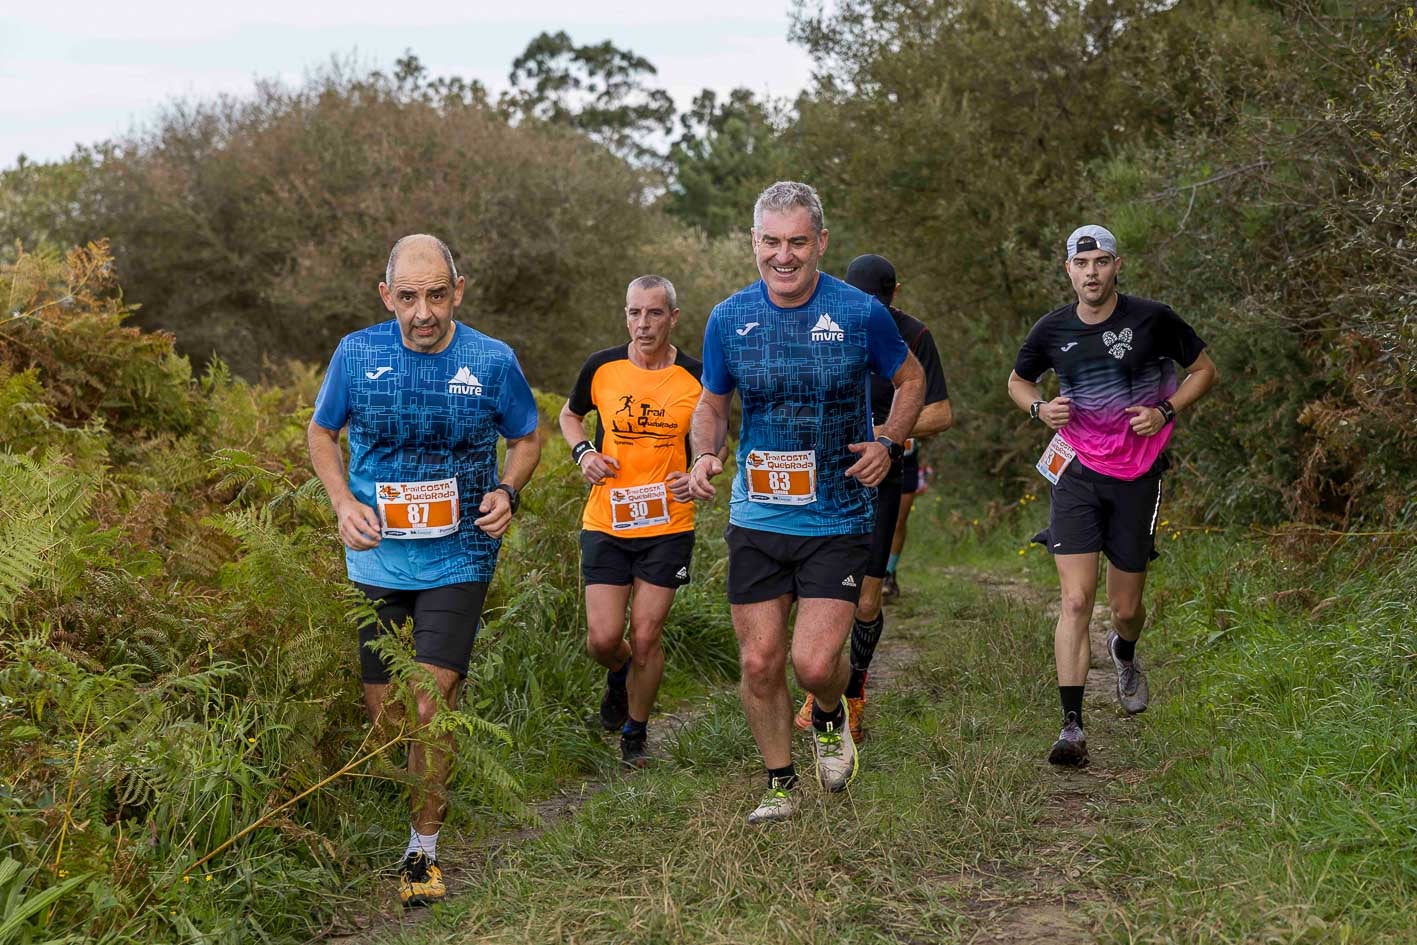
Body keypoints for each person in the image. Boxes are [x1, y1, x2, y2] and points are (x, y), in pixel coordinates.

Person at [307, 234, 541, 907]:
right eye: (408, 296)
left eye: (436, 294)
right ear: (386, 296)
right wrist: (342, 500)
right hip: (377, 551)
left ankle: (422, 851)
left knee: (431, 701)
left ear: (458, 290)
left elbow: (526, 436)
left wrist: (506, 490)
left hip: (459, 552)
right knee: (386, 718)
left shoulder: (491, 360)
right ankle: (416, 796)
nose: (423, 310)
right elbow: (322, 432)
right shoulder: (358, 353)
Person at [686, 182, 925, 823]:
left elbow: (911, 379)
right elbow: (711, 403)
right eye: (771, 242)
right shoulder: (728, 319)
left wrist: (890, 440)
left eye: (797, 242)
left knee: (814, 663)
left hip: (839, 513)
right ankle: (780, 783)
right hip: (758, 513)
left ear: (820, 243)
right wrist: (704, 454)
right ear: (754, 244)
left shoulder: (858, 314)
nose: (783, 256)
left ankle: (827, 712)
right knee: (760, 660)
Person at [1007, 225, 1217, 767]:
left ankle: (1124, 649)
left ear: (1117, 265)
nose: (1092, 273)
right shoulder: (1052, 329)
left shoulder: (1153, 318)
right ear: (1068, 270)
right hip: (1076, 472)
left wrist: (1165, 411)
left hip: (1138, 476)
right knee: (1075, 600)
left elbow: (1204, 370)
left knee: (1124, 608)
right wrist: (1039, 409)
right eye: (1083, 264)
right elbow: (1018, 381)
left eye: (1101, 261)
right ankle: (1071, 726)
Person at [793, 254, 952, 742]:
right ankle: (823, 684)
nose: (871, 312)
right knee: (815, 590)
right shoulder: (817, 323)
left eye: (879, 304)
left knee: (866, 596)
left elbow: (941, 413)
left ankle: (853, 693)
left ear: (894, 296)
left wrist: (886, 431)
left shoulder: (915, 335)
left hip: (881, 472)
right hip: (822, 476)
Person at [558, 275, 704, 770]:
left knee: (645, 636)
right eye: (634, 313)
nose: (643, 324)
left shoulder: (696, 378)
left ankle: (634, 734)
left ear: (673, 317)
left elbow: (716, 438)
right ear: (625, 316)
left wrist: (702, 467)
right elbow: (570, 416)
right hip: (607, 519)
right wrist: (583, 454)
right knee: (603, 639)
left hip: (668, 521)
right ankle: (620, 674)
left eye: (654, 313)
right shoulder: (602, 367)